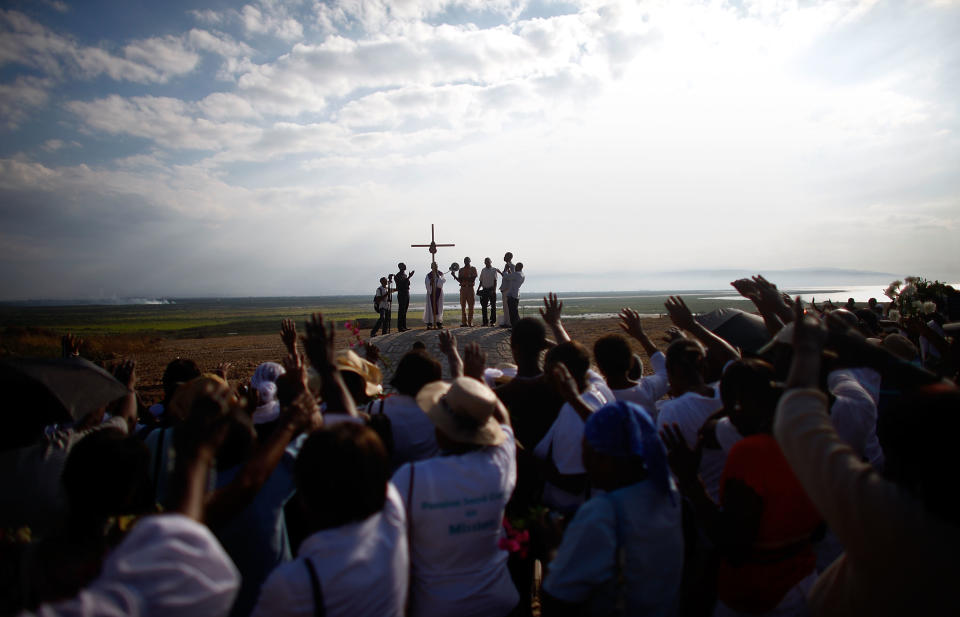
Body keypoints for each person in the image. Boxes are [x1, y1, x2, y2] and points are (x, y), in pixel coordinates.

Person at [775, 299, 960, 616]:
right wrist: (876, 356)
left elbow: (796, 418)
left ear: (902, 457)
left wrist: (808, 350)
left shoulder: (888, 517)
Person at [662, 359, 823, 617]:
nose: (729, 415)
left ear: (739, 404)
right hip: (804, 577)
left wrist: (692, 483)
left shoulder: (750, 453)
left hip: (758, 592)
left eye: (730, 406)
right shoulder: (808, 438)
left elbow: (734, 548)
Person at [252, 423, 408, 617]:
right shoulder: (393, 518)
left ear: (303, 496)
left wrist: (295, 424)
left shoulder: (292, 583)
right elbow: (364, 458)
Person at [542, 401, 683, 616]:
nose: (584, 462)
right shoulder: (668, 492)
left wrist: (554, 549)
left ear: (604, 459)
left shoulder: (603, 514)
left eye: (587, 452)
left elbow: (558, 599)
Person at [393, 377, 519, 617]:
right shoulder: (500, 463)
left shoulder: (410, 478)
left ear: (442, 430)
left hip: (438, 607)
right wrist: (478, 392)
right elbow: (504, 421)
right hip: (500, 602)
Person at [368, 349, 443, 471]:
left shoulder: (377, 408)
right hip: (430, 480)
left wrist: (372, 363)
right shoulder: (441, 412)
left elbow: (372, 395)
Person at [452, 257, 478, 327]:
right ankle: (464, 322)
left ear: (470, 261)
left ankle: (470, 322)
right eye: (465, 261)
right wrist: (454, 275)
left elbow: (473, 279)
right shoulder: (461, 270)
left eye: (467, 261)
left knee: (471, 306)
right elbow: (460, 280)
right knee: (463, 306)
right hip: (463, 289)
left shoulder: (473, 269)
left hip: (470, 288)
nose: (466, 262)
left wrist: (464, 279)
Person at [477, 257, 499, 327]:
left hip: (491, 289)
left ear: (491, 262)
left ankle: (492, 322)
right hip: (484, 289)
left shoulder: (494, 270)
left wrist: (494, 290)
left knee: (493, 306)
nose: (487, 263)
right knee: (484, 306)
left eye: (488, 261)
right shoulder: (483, 270)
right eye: (485, 262)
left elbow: (495, 281)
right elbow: (481, 281)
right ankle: (485, 322)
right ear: (484, 262)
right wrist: (478, 288)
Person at [423, 263, 445, 329]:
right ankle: (429, 323)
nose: (435, 268)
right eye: (434, 267)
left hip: (439, 293)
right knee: (430, 307)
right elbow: (427, 284)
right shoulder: (428, 275)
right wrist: (430, 282)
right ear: (431, 267)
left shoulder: (440, 273)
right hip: (431, 293)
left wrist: (439, 277)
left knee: (439, 307)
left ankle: (439, 323)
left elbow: (443, 281)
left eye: (436, 266)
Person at [395, 263, 415, 332]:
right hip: (401, 294)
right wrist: (409, 277)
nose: (405, 266)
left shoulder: (405, 275)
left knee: (405, 311)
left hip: (406, 292)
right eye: (403, 265)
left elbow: (407, 283)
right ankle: (400, 327)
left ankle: (404, 326)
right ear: (400, 267)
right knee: (401, 311)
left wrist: (408, 277)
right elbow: (401, 285)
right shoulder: (398, 275)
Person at [503, 263, 525, 328]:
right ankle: (517, 327)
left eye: (516, 267)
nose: (515, 268)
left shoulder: (516, 274)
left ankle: (514, 327)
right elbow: (512, 277)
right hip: (516, 294)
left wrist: (505, 270)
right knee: (515, 312)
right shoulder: (522, 274)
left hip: (512, 295)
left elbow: (506, 276)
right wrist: (510, 272)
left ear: (518, 267)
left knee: (512, 313)